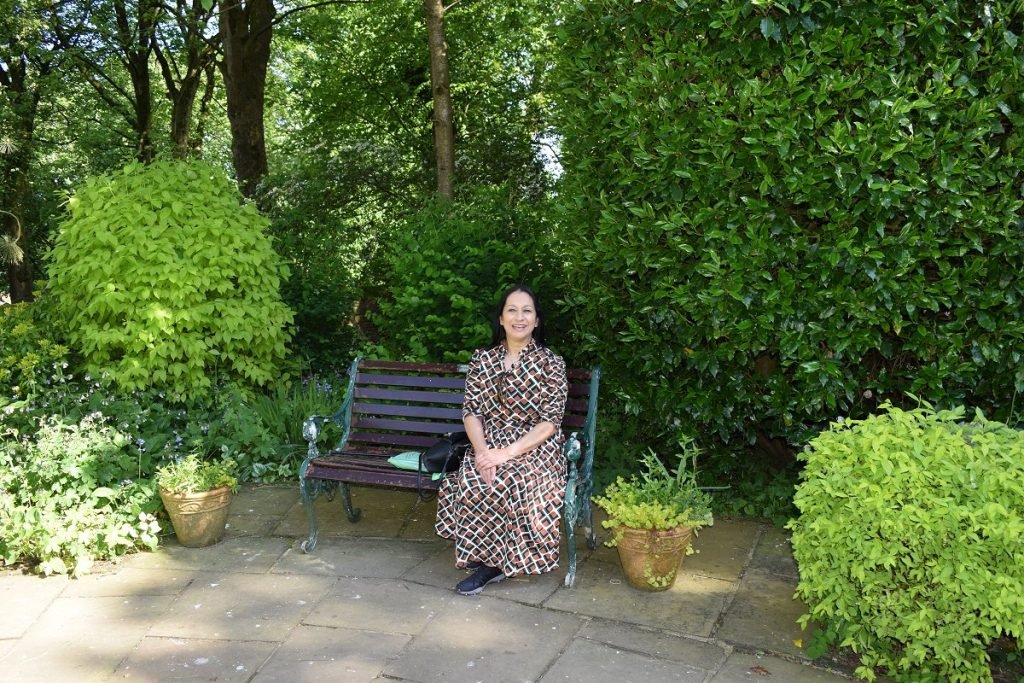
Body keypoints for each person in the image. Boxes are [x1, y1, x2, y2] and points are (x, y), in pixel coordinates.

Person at [434, 284, 569, 595]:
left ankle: (496, 565)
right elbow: (471, 412)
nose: (519, 317)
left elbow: (549, 422)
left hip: (535, 447)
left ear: (537, 321)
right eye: (512, 310)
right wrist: (482, 452)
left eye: (527, 311)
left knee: (510, 478)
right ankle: (481, 554)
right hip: (490, 442)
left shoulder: (551, 364)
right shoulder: (483, 360)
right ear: (501, 318)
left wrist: (505, 453)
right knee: (470, 474)